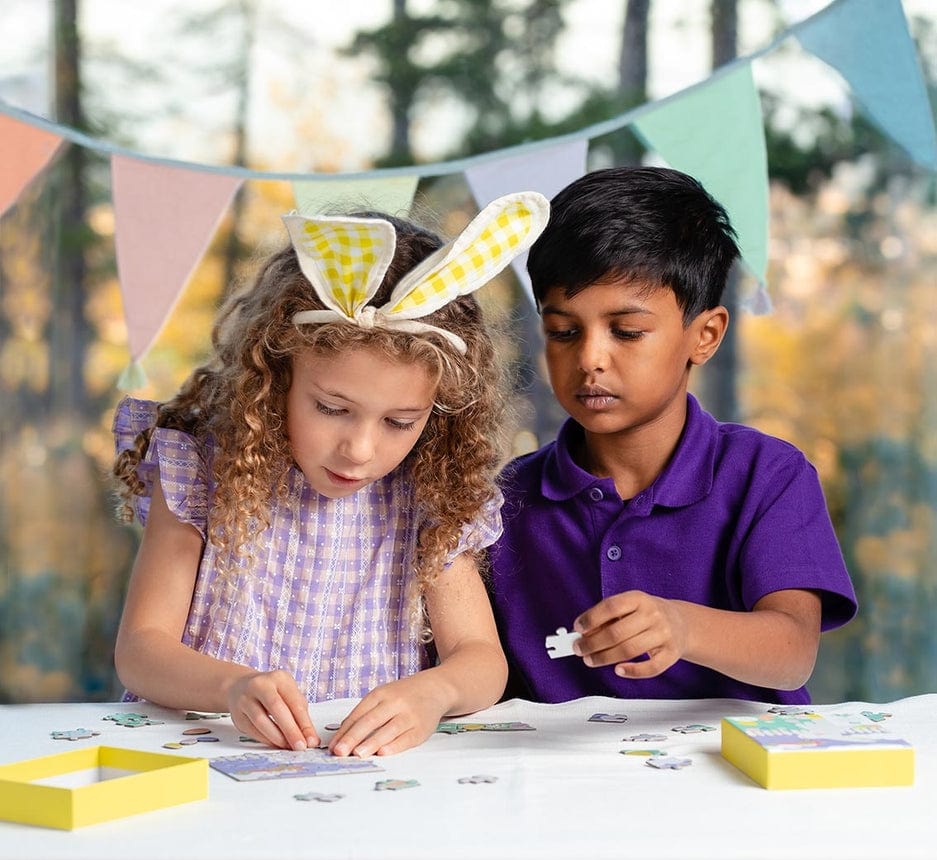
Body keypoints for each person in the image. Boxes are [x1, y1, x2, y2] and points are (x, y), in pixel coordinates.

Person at [112, 191, 549, 755]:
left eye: (399, 421)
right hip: (204, 759)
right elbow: (142, 650)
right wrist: (232, 686)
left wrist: (433, 693)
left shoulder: (429, 496)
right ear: (276, 374)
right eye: (332, 409)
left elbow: (480, 658)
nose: (360, 450)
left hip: (360, 777)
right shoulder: (201, 469)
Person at [488, 167, 857, 705]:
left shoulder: (767, 475)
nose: (589, 358)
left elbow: (793, 652)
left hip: (732, 776)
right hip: (560, 782)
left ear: (704, 335)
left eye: (627, 332)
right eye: (563, 332)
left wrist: (681, 626)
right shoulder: (503, 501)